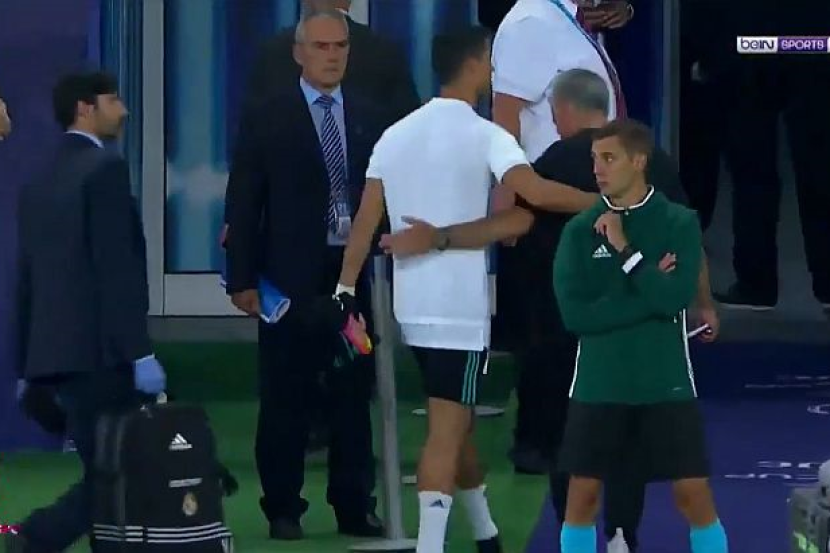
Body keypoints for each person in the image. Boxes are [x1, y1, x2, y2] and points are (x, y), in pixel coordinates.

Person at [378, 68, 719, 553]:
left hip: (561, 330)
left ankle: (573, 536)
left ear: (563, 110)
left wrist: (440, 238)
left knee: (570, 441)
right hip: (643, 333)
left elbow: (513, 226)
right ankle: (622, 536)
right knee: (630, 443)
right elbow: (689, 246)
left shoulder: (551, 163)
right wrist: (702, 302)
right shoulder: (652, 163)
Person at [332, 25, 596, 553]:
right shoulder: (486, 135)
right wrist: (607, 204)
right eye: (490, 62)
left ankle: (485, 532)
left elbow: (364, 221)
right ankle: (430, 546)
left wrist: (344, 286)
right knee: (446, 431)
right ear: (475, 63)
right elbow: (535, 191)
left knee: (456, 420)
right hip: (460, 310)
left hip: (412, 307)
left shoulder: (395, 134)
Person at [223, 8, 386, 540]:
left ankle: (354, 505)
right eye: (321, 46)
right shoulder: (268, 115)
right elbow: (244, 198)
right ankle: (283, 508)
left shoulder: (369, 114)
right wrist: (241, 278)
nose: (332, 56)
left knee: (351, 391)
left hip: (351, 274)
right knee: (285, 395)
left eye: (340, 46)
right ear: (299, 53)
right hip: (287, 278)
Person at [553, 120, 728, 553]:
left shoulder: (678, 223)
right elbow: (576, 316)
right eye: (595, 159)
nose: (598, 169)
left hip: (665, 383)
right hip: (598, 383)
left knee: (693, 495)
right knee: (582, 497)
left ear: (638, 161)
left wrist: (626, 254)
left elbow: (675, 300)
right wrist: (648, 288)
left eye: (609, 158)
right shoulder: (579, 231)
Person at [8, 71, 165, 553]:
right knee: (120, 467)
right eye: (114, 100)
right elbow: (116, 270)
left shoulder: (39, 180)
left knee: (107, 465)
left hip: (56, 356)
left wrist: (26, 365)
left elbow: (28, 279)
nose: (124, 110)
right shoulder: (105, 171)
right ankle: (36, 536)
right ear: (85, 108)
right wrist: (139, 353)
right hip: (103, 353)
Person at [490, 0, 627, 473]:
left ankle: (578, 431)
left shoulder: (565, 18)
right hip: (549, 197)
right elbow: (506, 112)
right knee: (548, 327)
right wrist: (506, 195)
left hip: (579, 189)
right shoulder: (531, 19)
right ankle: (538, 442)